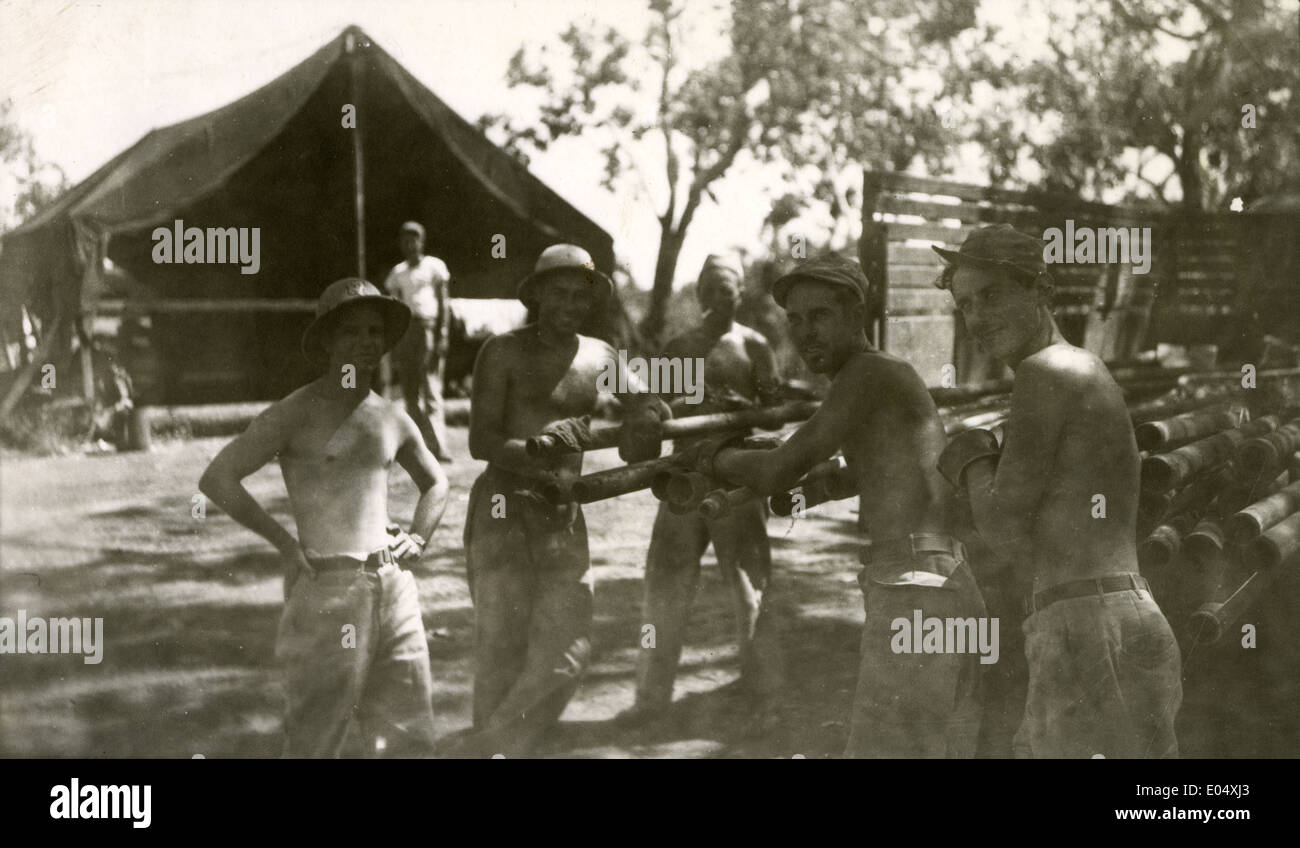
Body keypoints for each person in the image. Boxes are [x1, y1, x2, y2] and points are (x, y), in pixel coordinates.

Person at [706, 253, 987, 757]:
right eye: (794, 320)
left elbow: (776, 469)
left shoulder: (867, 374)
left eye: (819, 316)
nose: (804, 332)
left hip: (916, 588)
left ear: (856, 314)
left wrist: (716, 456)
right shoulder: (880, 378)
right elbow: (861, 474)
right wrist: (809, 489)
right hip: (941, 581)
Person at [933, 223, 1181, 758]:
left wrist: (971, 458)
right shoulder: (1085, 370)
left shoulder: (1043, 372)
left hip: (1081, 626)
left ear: (1040, 291)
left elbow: (1000, 529)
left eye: (992, 295)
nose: (976, 318)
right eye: (966, 304)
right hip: (1128, 614)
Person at [199, 277, 449, 757]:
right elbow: (219, 476)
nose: (365, 341)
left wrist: (418, 537)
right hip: (330, 590)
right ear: (329, 341)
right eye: (351, 331)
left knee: (410, 736)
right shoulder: (296, 411)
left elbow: (437, 482)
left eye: (374, 331)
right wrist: (286, 544)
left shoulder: (392, 416)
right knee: (317, 738)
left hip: (394, 588)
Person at [461, 243, 666, 756]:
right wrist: (540, 449)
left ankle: (483, 747)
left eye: (580, 296)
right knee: (501, 650)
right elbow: (481, 442)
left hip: (561, 515)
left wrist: (648, 412)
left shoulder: (602, 355)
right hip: (502, 510)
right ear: (536, 296)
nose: (570, 305)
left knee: (568, 654)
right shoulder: (501, 351)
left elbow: (651, 399)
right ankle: (498, 746)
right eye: (559, 293)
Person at [616, 254, 785, 730]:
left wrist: (741, 411)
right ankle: (651, 698)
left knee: (751, 588)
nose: (721, 298)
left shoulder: (755, 348)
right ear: (702, 295)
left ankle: (761, 697)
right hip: (685, 481)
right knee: (664, 587)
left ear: (740, 295)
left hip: (736, 482)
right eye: (712, 290)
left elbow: (776, 416)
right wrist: (664, 409)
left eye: (729, 289)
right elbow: (659, 408)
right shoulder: (681, 347)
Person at [384, 221, 453, 462]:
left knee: (431, 388)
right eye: (406, 240)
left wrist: (442, 335)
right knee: (410, 392)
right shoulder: (398, 273)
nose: (410, 245)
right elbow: (393, 308)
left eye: (415, 239)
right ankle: (417, 448)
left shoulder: (434, 267)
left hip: (428, 328)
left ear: (422, 242)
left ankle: (439, 447)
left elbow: (444, 302)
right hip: (406, 331)